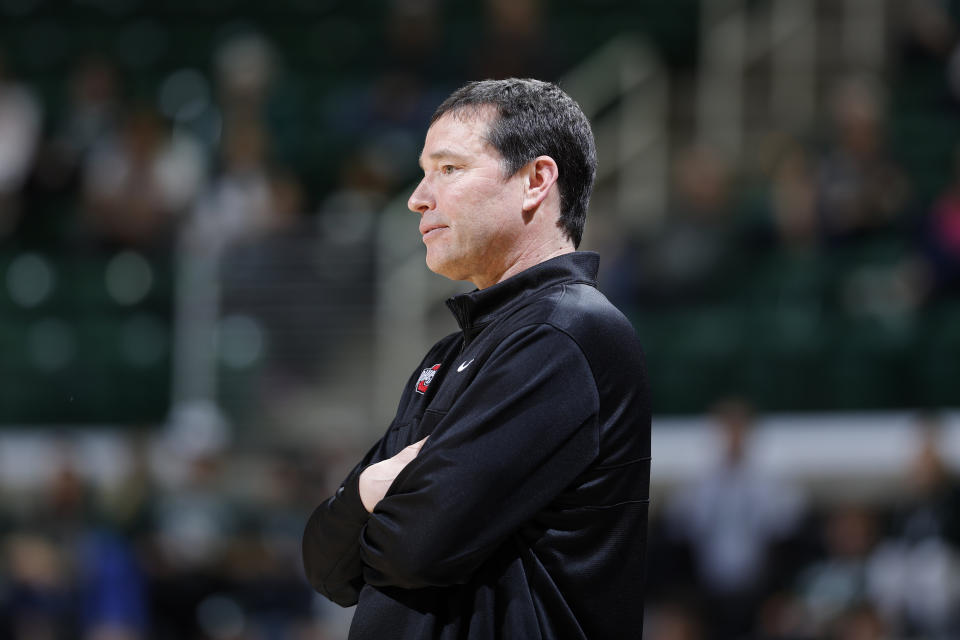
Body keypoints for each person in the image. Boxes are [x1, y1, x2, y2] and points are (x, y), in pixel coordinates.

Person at [302, 78, 651, 639]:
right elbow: (324, 565)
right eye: (423, 171)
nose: (418, 197)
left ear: (536, 180)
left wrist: (373, 498)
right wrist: (373, 488)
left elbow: (417, 548)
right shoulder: (449, 354)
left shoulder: (569, 333)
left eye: (448, 169)